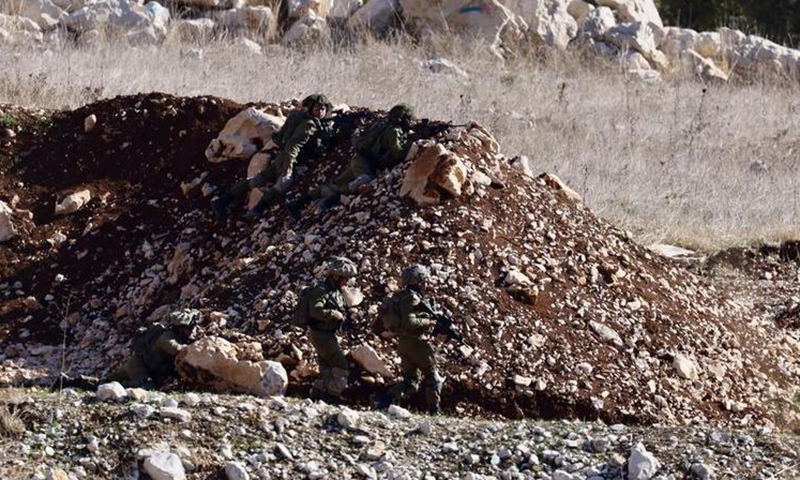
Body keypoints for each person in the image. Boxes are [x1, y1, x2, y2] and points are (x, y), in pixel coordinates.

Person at [212, 93, 334, 221]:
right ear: (311, 109)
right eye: (317, 108)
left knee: (257, 180)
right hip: (289, 160)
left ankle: (223, 200)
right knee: (282, 184)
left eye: (323, 109)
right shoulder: (309, 125)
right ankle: (255, 211)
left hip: (282, 158)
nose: (320, 111)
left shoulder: (312, 122)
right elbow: (293, 146)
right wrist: (288, 169)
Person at [311, 104, 414, 211]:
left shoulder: (381, 124)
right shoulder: (394, 131)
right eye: (407, 119)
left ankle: (305, 199)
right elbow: (398, 153)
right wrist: (410, 142)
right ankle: (327, 201)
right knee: (363, 182)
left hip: (359, 159)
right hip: (366, 165)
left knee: (336, 183)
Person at [378, 264, 444, 414]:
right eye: (423, 280)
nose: (425, 283)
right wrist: (430, 322)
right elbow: (410, 322)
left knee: (411, 381)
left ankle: (385, 400)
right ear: (418, 280)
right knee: (432, 377)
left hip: (404, 343)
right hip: (417, 343)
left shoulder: (402, 296)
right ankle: (435, 410)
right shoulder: (412, 298)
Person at [294, 257, 358, 403]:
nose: (347, 281)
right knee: (341, 366)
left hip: (324, 334)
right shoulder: (321, 290)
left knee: (326, 365)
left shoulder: (333, 291)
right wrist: (334, 314)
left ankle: (318, 396)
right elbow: (316, 311)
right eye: (345, 278)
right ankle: (332, 396)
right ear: (335, 276)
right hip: (321, 335)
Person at [107, 309, 200, 389]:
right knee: (147, 386)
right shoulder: (165, 337)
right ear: (181, 328)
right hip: (138, 366)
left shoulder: (181, 338)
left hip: (151, 370)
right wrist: (196, 347)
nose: (192, 332)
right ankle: (117, 387)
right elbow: (176, 349)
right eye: (189, 329)